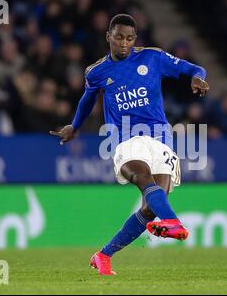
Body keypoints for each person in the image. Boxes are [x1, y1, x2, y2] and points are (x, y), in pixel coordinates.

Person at [49, 14, 209, 275]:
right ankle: (174, 223)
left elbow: (193, 69)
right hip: (126, 139)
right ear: (108, 37)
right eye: (119, 37)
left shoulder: (152, 57)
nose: (124, 43)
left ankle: (103, 255)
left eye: (130, 38)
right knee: (142, 176)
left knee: (149, 209)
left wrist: (196, 78)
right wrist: (74, 126)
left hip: (161, 139)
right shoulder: (97, 71)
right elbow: (86, 100)